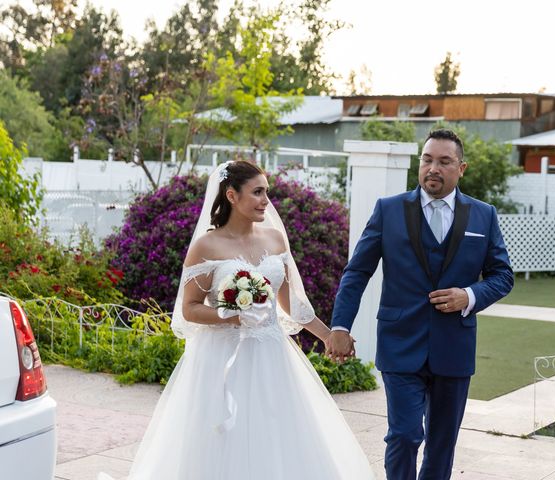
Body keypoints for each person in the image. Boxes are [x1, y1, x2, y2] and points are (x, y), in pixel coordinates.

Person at [100, 160, 374, 479]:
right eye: (257, 192)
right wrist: (232, 316)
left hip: (272, 356)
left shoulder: (275, 240)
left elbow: (292, 306)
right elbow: (190, 308)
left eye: (266, 192)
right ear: (231, 195)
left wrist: (329, 335)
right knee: (220, 439)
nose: (265, 201)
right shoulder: (207, 245)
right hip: (222, 360)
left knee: (276, 437)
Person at [326, 129, 514, 480]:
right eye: (427, 160)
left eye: (444, 162)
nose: (433, 168)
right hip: (400, 342)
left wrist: (468, 296)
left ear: (462, 168)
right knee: (405, 433)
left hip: (454, 346)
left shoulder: (483, 215)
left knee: (442, 445)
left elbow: (502, 276)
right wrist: (340, 326)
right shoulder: (389, 210)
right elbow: (357, 272)